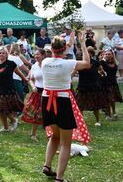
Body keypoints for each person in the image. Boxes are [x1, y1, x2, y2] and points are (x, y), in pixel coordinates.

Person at [41, 32, 91, 182]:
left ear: (52, 49)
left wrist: (68, 43)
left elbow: (59, 52)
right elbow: (87, 63)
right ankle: (59, 178)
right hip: (62, 101)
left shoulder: (45, 62)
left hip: (46, 100)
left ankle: (47, 165)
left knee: (55, 136)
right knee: (65, 143)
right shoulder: (68, 63)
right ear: (64, 50)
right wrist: (82, 43)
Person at [0, 46, 28, 132]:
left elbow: (18, 72)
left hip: (8, 89)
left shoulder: (11, 63)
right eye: (0, 53)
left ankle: (14, 120)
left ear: (6, 54)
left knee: (5, 108)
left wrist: (24, 78)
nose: (1, 54)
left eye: (3, 53)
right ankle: (5, 127)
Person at [75, 47, 108, 126]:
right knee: (80, 105)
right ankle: (80, 122)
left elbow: (101, 70)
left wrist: (103, 73)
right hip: (82, 86)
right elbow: (74, 71)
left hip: (93, 86)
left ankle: (98, 120)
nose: (87, 54)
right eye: (85, 52)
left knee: (95, 106)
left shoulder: (96, 63)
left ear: (92, 54)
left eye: (89, 52)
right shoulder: (80, 63)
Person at [22, 49, 46, 141]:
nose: (36, 56)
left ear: (43, 55)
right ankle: (33, 134)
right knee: (35, 113)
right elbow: (30, 78)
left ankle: (53, 133)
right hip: (37, 92)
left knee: (49, 113)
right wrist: (32, 86)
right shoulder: (34, 66)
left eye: (38, 54)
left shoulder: (47, 65)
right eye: (35, 54)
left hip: (48, 92)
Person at [99, 50, 123, 120]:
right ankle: (109, 115)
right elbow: (99, 70)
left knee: (112, 100)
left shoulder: (115, 63)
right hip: (105, 84)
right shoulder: (102, 62)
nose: (107, 55)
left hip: (113, 83)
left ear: (112, 55)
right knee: (108, 100)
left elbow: (116, 63)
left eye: (109, 54)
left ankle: (114, 112)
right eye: (106, 54)